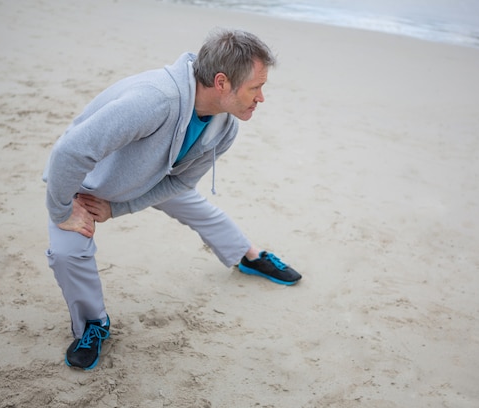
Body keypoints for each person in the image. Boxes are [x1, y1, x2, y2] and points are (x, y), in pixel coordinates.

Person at [43, 28, 302, 371]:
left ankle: (247, 256)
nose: (261, 98)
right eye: (256, 88)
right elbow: (71, 152)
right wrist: (62, 210)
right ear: (222, 82)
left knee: (198, 208)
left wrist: (119, 208)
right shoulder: (154, 100)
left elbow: (181, 182)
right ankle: (93, 324)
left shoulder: (225, 126)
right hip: (84, 186)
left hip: (153, 177)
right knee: (67, 253)